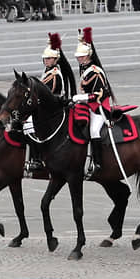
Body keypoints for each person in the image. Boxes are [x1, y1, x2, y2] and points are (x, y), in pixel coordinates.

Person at [25, 33, 75, 172]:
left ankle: (37, 159)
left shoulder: (53, 74)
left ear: (55, 60)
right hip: (47, 105)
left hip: (53, 107)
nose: (46, 61)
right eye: (45, 58)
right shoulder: (48, 71)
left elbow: (46, 92)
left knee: (28, 125)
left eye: (49, 59)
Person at [72, 27, 110, 178]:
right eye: (78, 57)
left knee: (94, 130)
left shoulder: (95, 71)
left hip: (99, 106)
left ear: (88, 56)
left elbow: (99, 94)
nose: (79, 59)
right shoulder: (84, 68)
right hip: (87, 104)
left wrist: (81, 98)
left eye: (81, 56)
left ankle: (98, 162)